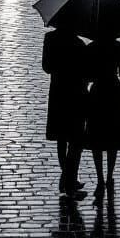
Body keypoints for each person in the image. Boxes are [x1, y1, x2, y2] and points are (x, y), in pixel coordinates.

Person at [83, 35, 120, 196]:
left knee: (96, 136)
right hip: (114, 91)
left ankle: (100, 178)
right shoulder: (119, 46)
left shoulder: (90, 47)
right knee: (113, 136)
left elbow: (88, 75)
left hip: (97, 92)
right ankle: (110, 175)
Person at [43, 26, 89, 200]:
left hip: (57, 93)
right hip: (77, 94)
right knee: (76, 140)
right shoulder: (79, 44)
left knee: (62, 138)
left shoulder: (50, 39)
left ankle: (67, 178)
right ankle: (68, 181)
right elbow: (86, 73)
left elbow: (46, 67)